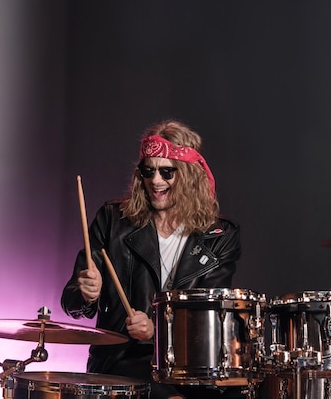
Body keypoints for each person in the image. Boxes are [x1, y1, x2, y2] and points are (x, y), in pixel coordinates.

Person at [61, 119, 242, 399]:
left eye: (167, 172)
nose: (155, 181)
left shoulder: (219, 236)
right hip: (122, 361)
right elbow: (71, 301)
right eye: (148, 171)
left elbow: (206, 320)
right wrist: (86, 294)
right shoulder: (112, 220)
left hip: (189, 366)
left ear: (189, 176)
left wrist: (157, 333)